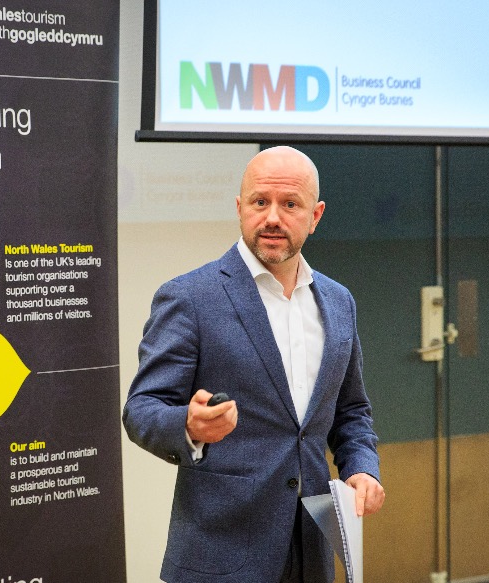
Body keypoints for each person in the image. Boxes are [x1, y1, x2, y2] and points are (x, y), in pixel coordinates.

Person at [122, 146, 385, 583]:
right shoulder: (190, 297)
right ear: (239, 208)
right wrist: (188, 426)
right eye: (260, 202)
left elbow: (350, 411)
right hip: (221, 555)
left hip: (312, 549)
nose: (272, 218)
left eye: (290, 204)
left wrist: (361, 467)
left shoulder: (339, 302)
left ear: (316, 215)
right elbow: (141, 409)